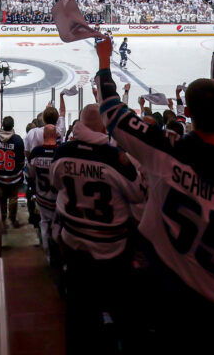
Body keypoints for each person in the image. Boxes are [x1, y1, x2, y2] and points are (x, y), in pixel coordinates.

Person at [95, 33, 214, 348]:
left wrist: (103, 61)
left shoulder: (165, 150)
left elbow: (112, 112)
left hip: (165, 288)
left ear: (188, 112)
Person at [51, 103, 144, 352]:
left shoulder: (63, 153)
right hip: (112, 249)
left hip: (74, 243)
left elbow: (56, 183)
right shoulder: (116, 159)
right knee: (123, 312)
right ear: (104, 127)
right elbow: (137, 195)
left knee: (78, 312)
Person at [26, 124, 59, 261]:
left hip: (42, 197)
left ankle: (48, 255)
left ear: (44, 135)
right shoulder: (61, 152)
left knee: (44, 224)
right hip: (57, 199)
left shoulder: (36, 152)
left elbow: (30, 175)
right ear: (56, 135)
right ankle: (58, 256)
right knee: (59, 226)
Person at [0, 116, 26, 229]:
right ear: (13, 126)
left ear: (2, 125)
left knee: (1, 199)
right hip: (14, 177)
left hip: (0, 176)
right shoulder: (18, 140)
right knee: (13, 198)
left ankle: (2, 219)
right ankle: (12, 219)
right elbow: (21, 160)